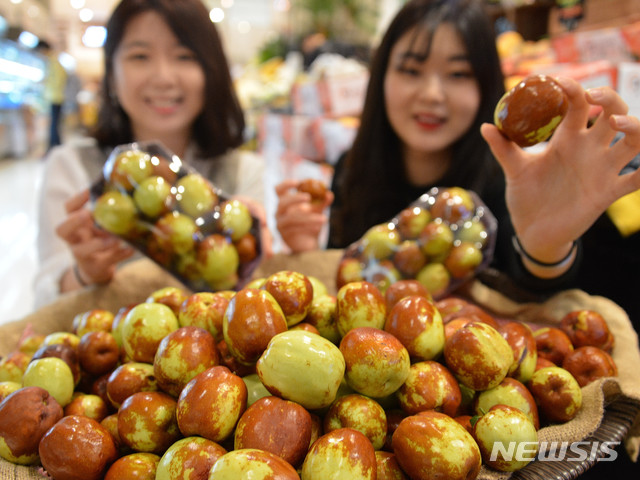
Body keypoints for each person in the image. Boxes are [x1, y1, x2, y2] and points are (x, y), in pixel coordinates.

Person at [276, 0, 640, 475]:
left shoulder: (511, 180)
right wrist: (307, 249)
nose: (432, 93)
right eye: (410, 69)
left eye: (458, 74)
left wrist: (544, 246)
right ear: (381, 76)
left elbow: (534, 295)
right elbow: (347, 284)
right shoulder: (352, 169)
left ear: (488, 85)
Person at [35, 0, 268, 308]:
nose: (163, 77)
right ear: (112, 73)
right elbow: (43, 302)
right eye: (140, 56)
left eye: (184, 56)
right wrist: (83, 272)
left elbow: (251, 303)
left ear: (211, 71)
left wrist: (260, 256)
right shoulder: (71, 167)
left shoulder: (243, 171)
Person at [35, 40, 68, 152]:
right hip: (56, 97)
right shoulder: (53, 61)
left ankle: (54, 147)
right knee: (54, 124)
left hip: (54, 97)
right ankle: (55, 146)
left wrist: (44, 83)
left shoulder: (52, 61)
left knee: (53, 124)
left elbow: (58, 80)